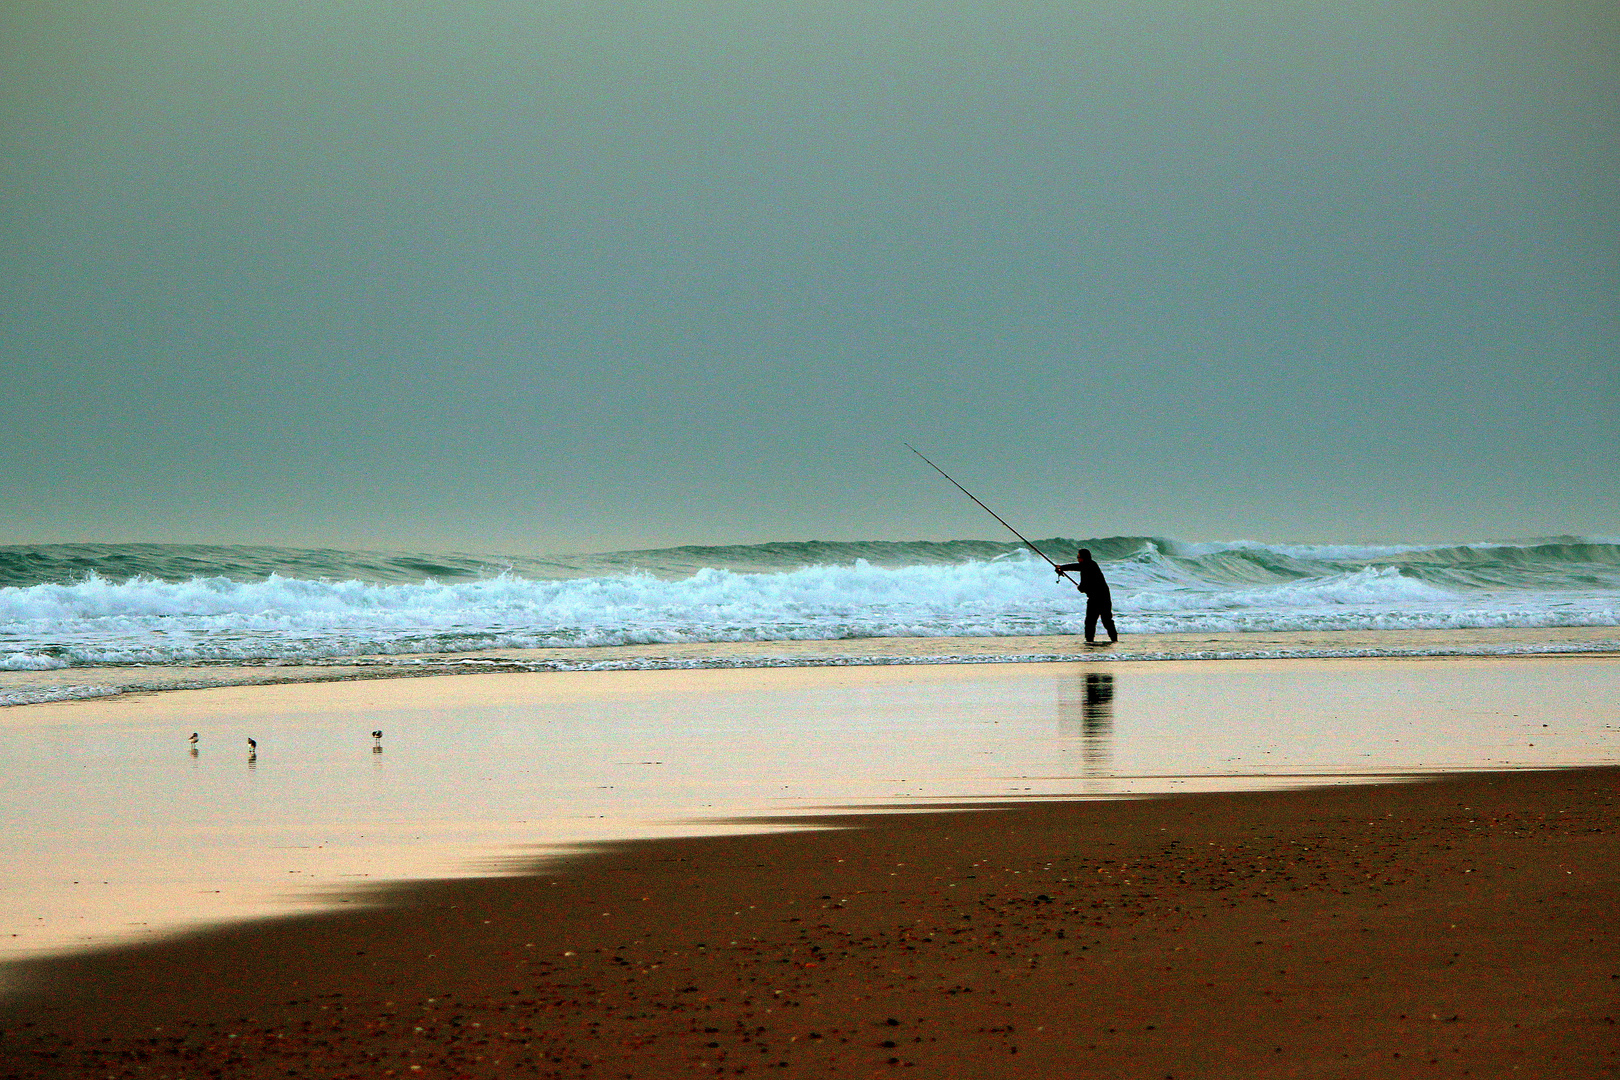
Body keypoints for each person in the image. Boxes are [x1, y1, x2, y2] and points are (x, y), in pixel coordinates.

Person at [1054, 548, 1118, 644]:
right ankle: (1095, 641)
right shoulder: (1089, 565)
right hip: (1099, 597)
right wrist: (1062, 568)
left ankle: (1099, 641)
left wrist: (1062, 568)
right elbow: (1078, 568)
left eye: (1078, 557)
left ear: (1083, 558)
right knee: (1096, 621)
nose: (1078, 559)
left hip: (1100, 597)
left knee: (1099, 621)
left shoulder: (1089, 565)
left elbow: (1083, 583)